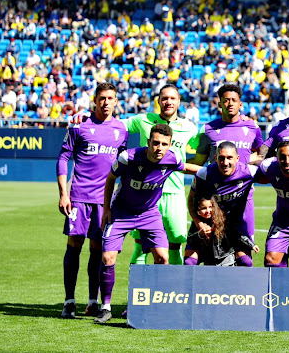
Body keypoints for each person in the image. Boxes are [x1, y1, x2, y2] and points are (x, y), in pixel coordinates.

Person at [73, 85, 200, 266]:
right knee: (140, 246)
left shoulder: (190, 128)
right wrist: (89, 118)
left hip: (174, 194)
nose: (168, 102)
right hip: (143, 195)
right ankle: (137, 290)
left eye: (173, 98)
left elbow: (201, 151)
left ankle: (173, 289)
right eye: (164, 98)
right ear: (158, 101)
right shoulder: (143, 120)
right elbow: (112, 123)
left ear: (179, 101)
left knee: (175, 244)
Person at [95, 124, 201, 324]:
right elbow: (110, 178)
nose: (159, 148)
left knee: (163, 257)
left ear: (170, 145)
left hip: (150, 214)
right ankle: (106, 307)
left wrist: (213, 172)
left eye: (164, 144)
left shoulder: (173, 158)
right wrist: (106, 209)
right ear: (148, 143)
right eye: (155, 143)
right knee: (108, 257)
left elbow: (187, 168)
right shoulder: (128, 157)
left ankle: (152, 304)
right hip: (122, 212)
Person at [57, 82, 128, 319]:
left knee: (97, 250)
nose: (106, 102)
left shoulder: (122, 129)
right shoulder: (80, 125)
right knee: (74, 246)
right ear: (95, 100)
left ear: (116, 101)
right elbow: (63, 157)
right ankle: (69, 301)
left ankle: (92, 301)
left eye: (110, 98)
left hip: (104, 202)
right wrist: (63, 193)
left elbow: (124, 167)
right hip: (77, 198)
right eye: (102, 98)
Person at [189, 142, 259, 266]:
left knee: (246, 262)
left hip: (235, 226)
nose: (225, 162)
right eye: (221, 158)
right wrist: (198, 223)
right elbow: (191, 200)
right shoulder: (204, 174)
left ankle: (237, 285)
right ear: (215, 158)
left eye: (229, 158)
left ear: (237, 158)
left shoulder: (250, 172)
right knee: (190, 262)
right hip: (209, 224)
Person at [193, 84, 264, 165]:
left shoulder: (252, 126)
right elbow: (198, 162)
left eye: (234, 100)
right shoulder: (207, 128)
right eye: (226, 100)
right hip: (217, 178)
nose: (230, 103)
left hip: (245, 178)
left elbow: (261, 153)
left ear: (240, 104)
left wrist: (248, 159)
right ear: (220, 104)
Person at [184, 195, 258, 266]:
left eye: (210, 207)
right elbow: (190, 240)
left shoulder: (222, 218)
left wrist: (251, 245)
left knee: (246, 261)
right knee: (189, 262)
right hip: (206, 254)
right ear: (198, 209)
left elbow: (235, 234)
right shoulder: (196, 223)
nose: (208, 211)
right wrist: (200, 235)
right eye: (204, 208)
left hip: (225, 256)